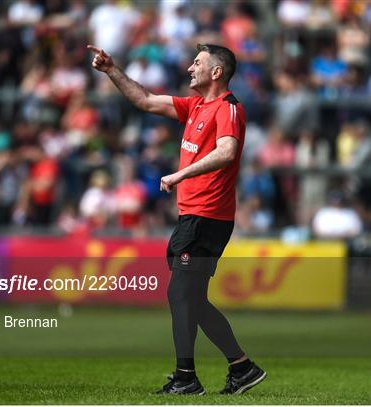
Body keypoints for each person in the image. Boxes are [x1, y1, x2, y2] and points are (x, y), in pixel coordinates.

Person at [87, 43, 266, 395]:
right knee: (189, 298)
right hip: (193, 217)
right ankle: (241, 368)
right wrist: (111, 70)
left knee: (181, 295)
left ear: (216, 72)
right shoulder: (196, 105)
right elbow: (144, 100)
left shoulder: (228, 108)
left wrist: (180, 175)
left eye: (197, 63)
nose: (189, 68)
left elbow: (227, 152)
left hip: (207, 216)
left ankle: (187, 377)